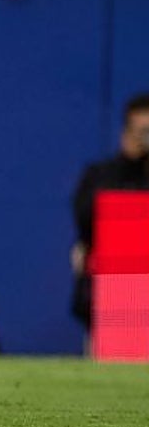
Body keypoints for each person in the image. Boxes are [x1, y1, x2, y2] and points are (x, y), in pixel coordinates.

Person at [70, 93, 149, 332]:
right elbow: (84, 218)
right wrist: (129, 163)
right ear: (126, 132)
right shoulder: (102, 174)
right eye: (142, 132)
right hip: (112, 280)